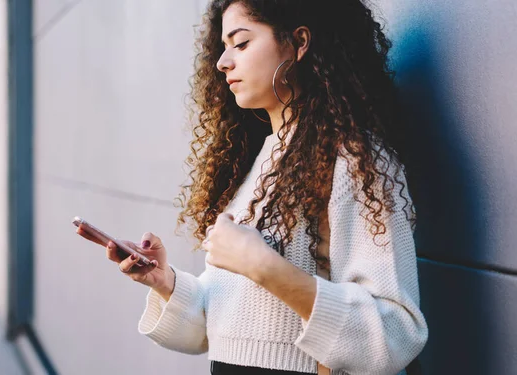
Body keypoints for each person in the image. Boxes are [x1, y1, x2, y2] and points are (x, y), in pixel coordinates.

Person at [77, 1, 428, 374]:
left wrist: (263, 265)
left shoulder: (353, 158)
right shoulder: (262, 160)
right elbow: (231, 326)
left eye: (241, 43)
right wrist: (164, 281)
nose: (222, 62)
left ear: (299, 42)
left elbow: (396, 332)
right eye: (223, 47)